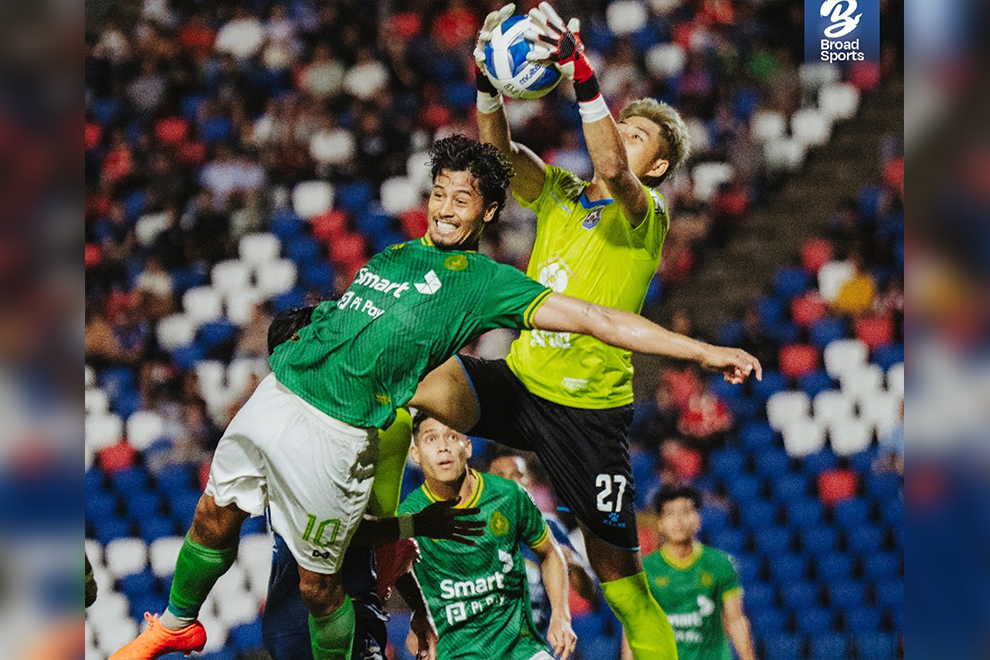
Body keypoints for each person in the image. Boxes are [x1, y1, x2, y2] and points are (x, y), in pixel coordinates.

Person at [110, 134, 759, 660]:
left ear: (489, 212)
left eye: (462, 199)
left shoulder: (484, 283)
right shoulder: (396, 252)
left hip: (337, 431)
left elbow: (598, 320)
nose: (446, 207)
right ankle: (176, 622)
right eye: (439, 193)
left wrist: (703, 352)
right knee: (212, 513)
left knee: (317, 587)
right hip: (280, 391)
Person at [410, 4, 714, 658]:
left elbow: (615, 172)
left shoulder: (646, 214)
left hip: (587, 415)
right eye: (620, 127)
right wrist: (490, 83)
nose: (619, 137)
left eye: (636, 137)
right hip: (521, 383)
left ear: (655, 168)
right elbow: (497, 157)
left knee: (623, 586)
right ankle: (376, 543)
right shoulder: (559, 191)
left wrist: (582, 74)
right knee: (413, 375)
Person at [261, 306, 486, 660]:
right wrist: (419, 524)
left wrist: (418, 607)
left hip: (353, 605)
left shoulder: (371, 411)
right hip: (311, 617)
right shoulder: (303, 436)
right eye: (325, 334)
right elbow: (340, 531)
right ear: (298, 348)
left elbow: (378, 535)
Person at [399, 414, 577, 660]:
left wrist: (561, 616)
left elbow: (550, 552)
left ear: (468, 446)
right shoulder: (409, 515)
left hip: (521, 651)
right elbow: (398, 572)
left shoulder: (509, 495)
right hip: (456, 653)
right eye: (431, 439)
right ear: (416, 454)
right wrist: (417, 614)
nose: (443, 447)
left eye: (452, 436)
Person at [621, 486, 756, 660]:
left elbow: (736, 619)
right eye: (670, 514)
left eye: (686, 512)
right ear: (660, 523)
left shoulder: (720, 564)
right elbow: (634, 626)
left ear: (698, 519)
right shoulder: (644, 570)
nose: (679, 520)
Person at [488, 453, 598, 637]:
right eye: (500, 476)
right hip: (494, 644)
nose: (509, 483)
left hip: (539, 642)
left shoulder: (550, 527)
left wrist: (574, 565)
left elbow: (589, 594)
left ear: (529, 482)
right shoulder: (477, 531)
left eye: (516, 475)